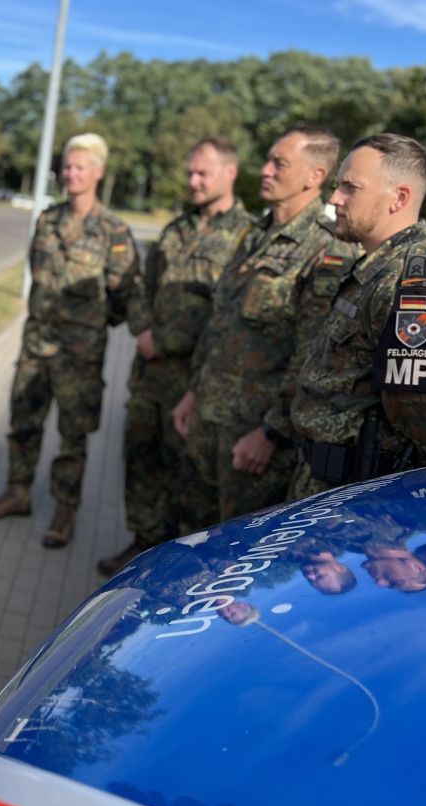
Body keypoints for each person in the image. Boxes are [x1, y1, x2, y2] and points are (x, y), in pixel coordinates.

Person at [171, 126, 358, 524]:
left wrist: (272, 433)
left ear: (314, 176)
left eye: (279, 163)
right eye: (268, 159)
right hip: (210, 416)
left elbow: (313, 357)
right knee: (188, 533)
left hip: (253, 435)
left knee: (234, 553)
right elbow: (221, 323)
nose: (265, 170)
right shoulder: (255, 235)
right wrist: (193, 392)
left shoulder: (328, 249)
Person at [97, 137, 254, 577]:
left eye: (202, 173)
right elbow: (141, 287)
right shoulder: (175, 229)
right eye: (190, 172)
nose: (193, 181)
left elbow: (227, 314)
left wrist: (164, 339)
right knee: (141, 466)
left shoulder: (246, 236)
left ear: (229, 173)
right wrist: (144, 330)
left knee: (190, 483)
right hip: (149, 380)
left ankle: (182, 568)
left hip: (195, 385)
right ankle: (142, 548)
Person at [0, 133, 140, 547]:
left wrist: (87, 326)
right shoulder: (47, 221)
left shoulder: (113, 231)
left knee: (73, 436)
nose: (70, 174)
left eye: (79, 167)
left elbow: (123, 297)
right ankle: (17, 493)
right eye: (67, 166)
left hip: (79, 357)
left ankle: (64, 511)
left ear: (98, 172)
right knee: (23, 423)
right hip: (36, 346)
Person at [290, 133, 426, 498]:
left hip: (355, 504)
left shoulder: (410, 283)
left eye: (349, 187)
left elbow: (425, 415)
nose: (334, 199)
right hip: (320, 483)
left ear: (399, 198)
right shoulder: (376, 269)